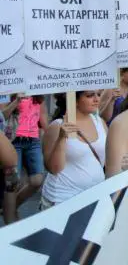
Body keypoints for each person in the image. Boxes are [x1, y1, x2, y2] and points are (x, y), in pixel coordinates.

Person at [40, 91, 107, 210]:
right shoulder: (57, 126)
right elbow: (53, 168)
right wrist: (61, 137)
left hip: (95, 196)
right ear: (74, 100)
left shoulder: (100, 122)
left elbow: (108, 159)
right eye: (90, 95)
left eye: (98, 94)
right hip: (62, 199)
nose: (96, 99)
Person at [2, 94, 48, 224]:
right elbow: (2, 116)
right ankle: (10, 221)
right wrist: (16, 102)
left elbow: (43, 118)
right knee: (12, 182)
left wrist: (52, 134)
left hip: (33, 141)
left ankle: (9, 208)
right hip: (13, 140)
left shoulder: (38, 94)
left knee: (37, 179)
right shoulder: (8, 92)